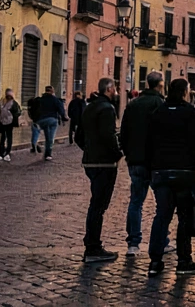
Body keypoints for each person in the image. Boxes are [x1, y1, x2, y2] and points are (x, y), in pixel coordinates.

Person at [145, 78, 195, 277]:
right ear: (185, 92)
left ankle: (155, 262)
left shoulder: (157, 113)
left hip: (161, 171)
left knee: (162, 216)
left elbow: (149, 143)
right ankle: (184, 260)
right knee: (184, 217)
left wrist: (151, 169)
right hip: (185, 172)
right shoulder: (191, 114)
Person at [120, 71, 167, 257]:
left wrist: (128, 154)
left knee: (135, 202)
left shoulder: (133, 104)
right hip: (155, 162)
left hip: (135, 161)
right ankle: (163, 241)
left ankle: (133, 243)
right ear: (160, 84)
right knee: (162, 204)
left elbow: (123, 133)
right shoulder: (159, 104)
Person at [79, 77, 123, 264]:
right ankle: (93, 247)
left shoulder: (89, 107)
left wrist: (90, 150)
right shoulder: (107, 109)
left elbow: (78, 136)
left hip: (90, 162)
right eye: (115, 89)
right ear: (109, 89)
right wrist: (117, 153)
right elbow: (108, 136)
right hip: (104, 164)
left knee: (95, 205)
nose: (117, 92)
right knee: (99, 206)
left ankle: (92, 245)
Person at [36, 85, 67, 161]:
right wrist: (63, 118)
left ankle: (44, 150)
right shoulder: (55, 99)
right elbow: (61, 110)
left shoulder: (41, 99)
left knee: (47, 136)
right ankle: (48, 154)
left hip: (43, 120)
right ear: (52, 91)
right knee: (51, 138)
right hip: (52, 120)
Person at [0, 88, 20, 162]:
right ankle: (7, 153)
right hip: (9, 123)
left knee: (3, 138)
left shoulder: (1, 102)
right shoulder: (13, 103)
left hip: (2, 122)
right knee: (8, 138)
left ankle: (1, 153)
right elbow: (18, 112)